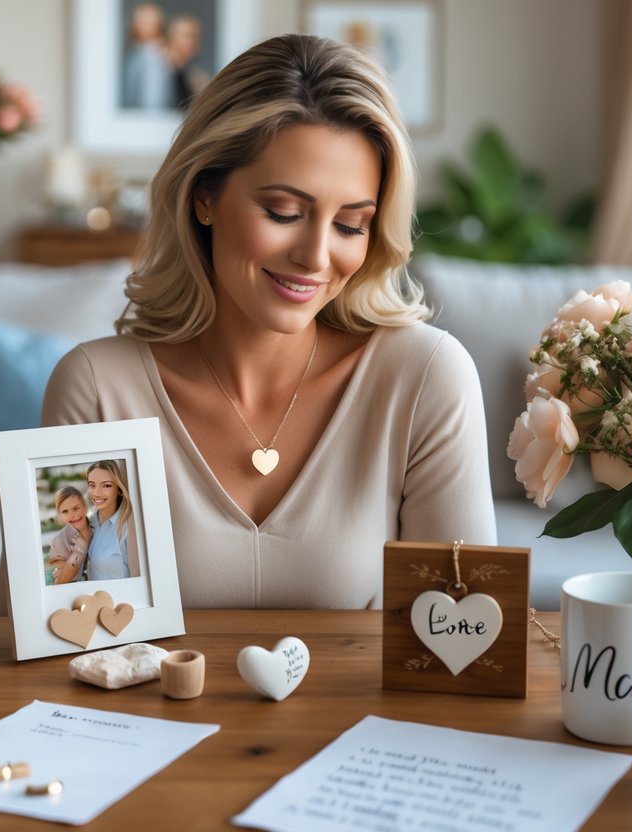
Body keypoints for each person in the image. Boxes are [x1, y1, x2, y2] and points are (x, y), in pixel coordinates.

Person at [42, 34, 495, 609]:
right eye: (284, 213)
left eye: (351, 225)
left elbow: (468, 646)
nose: (316, 256)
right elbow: (44, 641)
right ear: (204, 196)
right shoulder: (96, 387)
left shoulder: (425, 376)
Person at [84, 461, 133, 580]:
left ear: (119, 489)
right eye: (92, 485)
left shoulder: (128, 526)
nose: (96, 493)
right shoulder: (90, 523)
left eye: (106, 485)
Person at [121, 3, 172, 110]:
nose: (144, 24)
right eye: (141, 20)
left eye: (148, 21)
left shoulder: (160, 57)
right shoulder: (136, 57)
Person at [47, 485, 91, 584]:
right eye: (65, 511)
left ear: (85, 507)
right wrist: (77, 553)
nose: (72, 515)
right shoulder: (58, 542)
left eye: (76, 508)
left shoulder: (99, 528)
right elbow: (60, 581)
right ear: (60, 515)